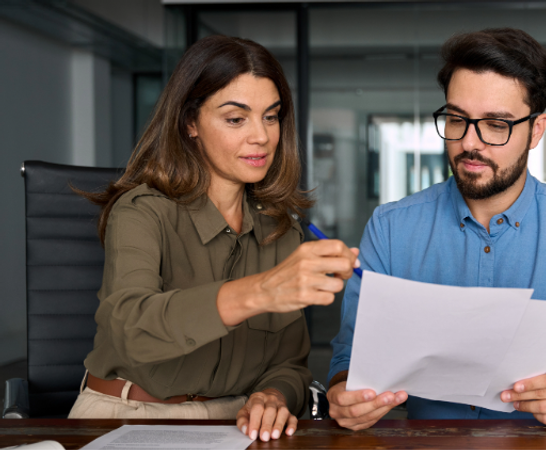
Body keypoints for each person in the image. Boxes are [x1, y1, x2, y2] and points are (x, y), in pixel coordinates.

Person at [326, 28, 546, 430]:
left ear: (536, 130)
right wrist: (345, 393)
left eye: (496, 124)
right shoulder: (391, 229)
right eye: (457, 119)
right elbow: (351, 358)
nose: (471, 143)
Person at [68, 35, 360, 443]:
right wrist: (261, 290)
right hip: (130, 413)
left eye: (271, 117)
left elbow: (290, 364)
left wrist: (273, 395)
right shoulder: (141, 211)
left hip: (234, 419)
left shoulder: (282, 231)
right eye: (236, 118)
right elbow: (131, 329)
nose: (261, 136)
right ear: (190, 123)